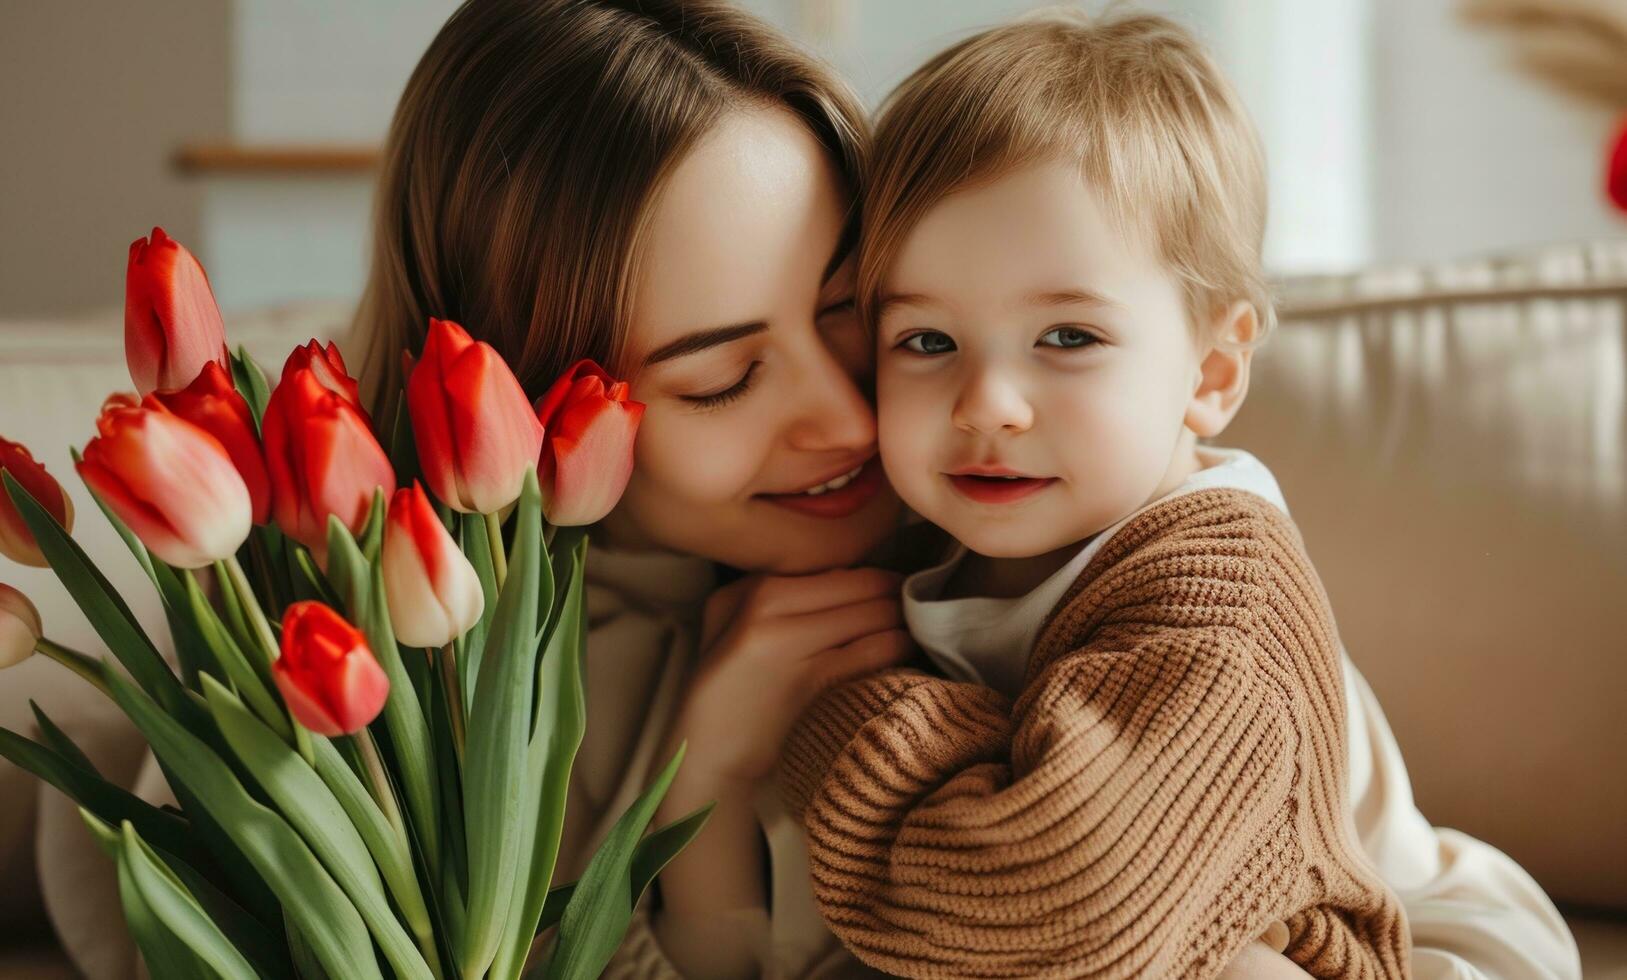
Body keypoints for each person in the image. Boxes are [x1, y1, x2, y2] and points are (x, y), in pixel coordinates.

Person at [28, 2, 1579, 979]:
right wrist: (688, 792)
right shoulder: (420, 690)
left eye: (862, 319)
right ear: (515, 381)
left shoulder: (1054, 548)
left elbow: (1457, 910)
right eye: (718, 377)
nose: (851, 413)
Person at [778, 12, 1412, 976]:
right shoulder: (927, 541)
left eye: (1067, 337)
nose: (987, 405)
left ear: (1208, 372)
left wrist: (838, 706)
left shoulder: (1222, 618)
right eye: (927, 342)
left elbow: (1048, 909)